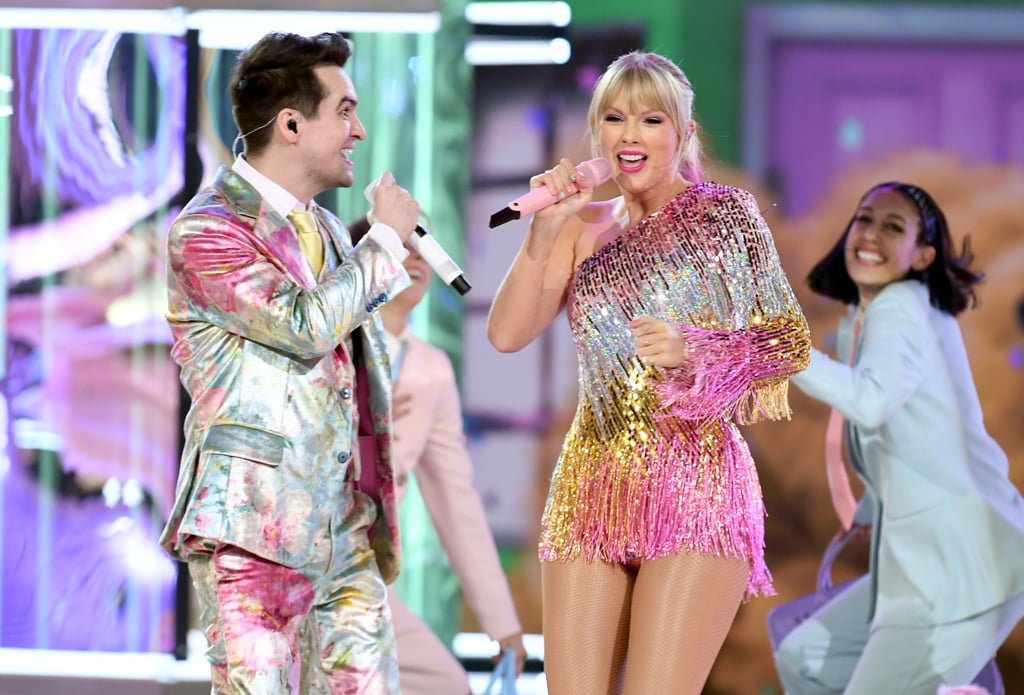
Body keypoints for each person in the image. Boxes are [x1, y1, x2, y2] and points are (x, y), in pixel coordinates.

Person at [486, 51, 811, 694]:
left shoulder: (726, 216)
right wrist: (544, 232)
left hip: (695, 487)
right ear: (596, 134)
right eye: (613, 118)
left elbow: (789, 341)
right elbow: (506, 334)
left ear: (684, 134)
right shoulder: (582, 230)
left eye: (650, 119)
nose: (629, 135)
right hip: (591, 486)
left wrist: (698, 349)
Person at [159, 31, 421, 694]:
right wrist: (384, 238)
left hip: (345, 531)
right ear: (292, 123)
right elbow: (303, 326)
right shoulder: (208, 229)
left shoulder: (329, 230)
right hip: (254, 529)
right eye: (346, 111)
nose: (358, 130)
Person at [774, 181, 1024, 694]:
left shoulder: (900, 307)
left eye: (893, 227)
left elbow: (871, 400)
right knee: (807, 657)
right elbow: (919, 434)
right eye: (865, 219)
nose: (870, 235)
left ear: (922, 256)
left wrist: (788, 352)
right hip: (924, 568)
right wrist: (872, 509)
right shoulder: (866, 316)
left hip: (958, 575)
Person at [350, 217, 529, 694]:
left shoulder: (430, 369)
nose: (416, 258)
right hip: (306, 563)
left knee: (446, 685)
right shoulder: (327, 349)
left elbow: (457, 501)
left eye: (422, 248)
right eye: (400, 246)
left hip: (368, 577)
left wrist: (502, 623)